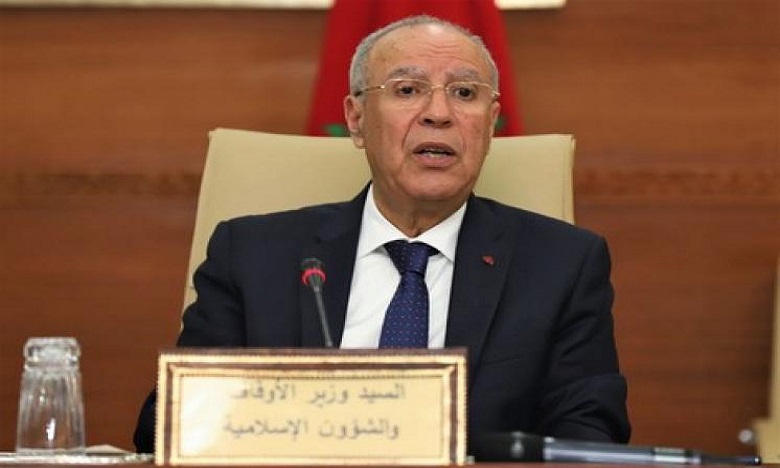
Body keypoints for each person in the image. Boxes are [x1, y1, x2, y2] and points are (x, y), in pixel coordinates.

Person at [133, 14, 630, 453]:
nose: (439, 114)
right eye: (407, 90)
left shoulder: (562, 265)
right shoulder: (253, 255)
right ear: (355, 119)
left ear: (491, 122)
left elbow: (588, 436)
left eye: (464, 93)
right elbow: (168, 425)